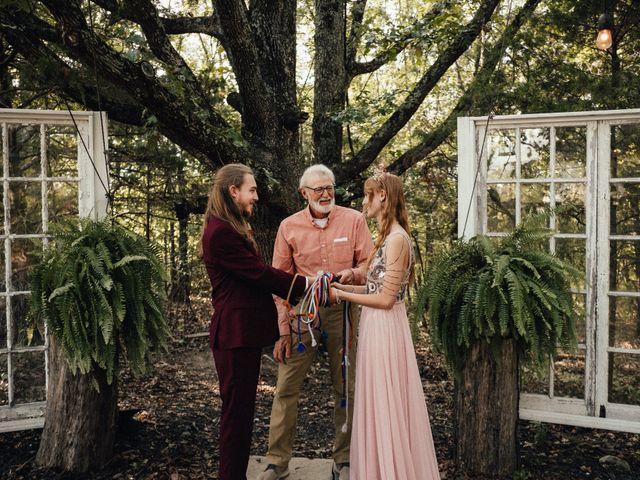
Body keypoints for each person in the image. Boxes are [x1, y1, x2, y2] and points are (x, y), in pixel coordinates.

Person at [258, 165, 373, 480]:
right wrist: (282, 330)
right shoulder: (288, 227)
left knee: (346, 386)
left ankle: (344, 460)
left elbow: (370, 264)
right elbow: (279, 282)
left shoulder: (355, 220)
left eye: (329, 187)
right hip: (301, 314)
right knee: (285, 387)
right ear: (304, 193)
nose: (325, 193)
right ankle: (276, 463)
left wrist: (352, 274)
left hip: (343, 309)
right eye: (318, 189)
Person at [200, 163, 309, 480]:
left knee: (241, 414)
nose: (256, 197)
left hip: (242, 336)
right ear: (233, 190)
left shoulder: (227, 227)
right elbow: (259, 274)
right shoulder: (220, 233)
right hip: (234, 336)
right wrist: (306, 285)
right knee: (236, 417)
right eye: (252, 190)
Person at [330, 171, 440, 480]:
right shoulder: (387, 237)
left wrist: (340, 294)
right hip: (375, 326)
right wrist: (340, 289)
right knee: (376, 401)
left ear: (383, 197)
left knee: (387, 401)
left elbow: (387, 300)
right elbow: (372, 290)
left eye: (369, 195)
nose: (364, 201)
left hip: (387, 327)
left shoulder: (397, 240)